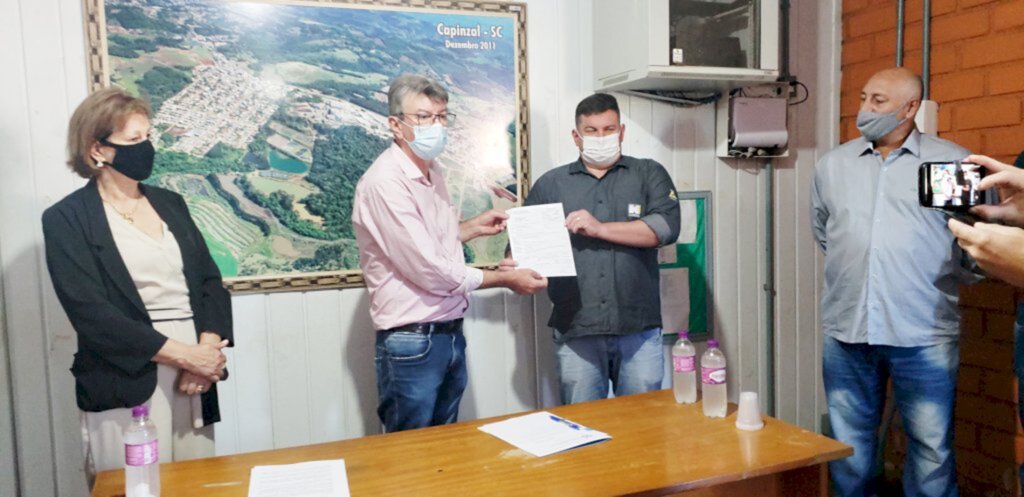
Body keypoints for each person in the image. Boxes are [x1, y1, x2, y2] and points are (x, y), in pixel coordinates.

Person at [42, 88, 233, 476]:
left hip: (195, 377)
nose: (145, 148)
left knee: (200, 482)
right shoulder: (67, 219)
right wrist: (184, 355)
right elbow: (91, 313)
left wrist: (205, 352)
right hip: (126, 377)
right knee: (136, 484)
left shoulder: (170, 203)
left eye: (148, 137)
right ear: (97, 149)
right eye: (133, 140)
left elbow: (210, 282)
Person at [810, 67, 978, 497]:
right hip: (848, 328)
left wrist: (924, 277)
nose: (864, 109)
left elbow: (975, 245)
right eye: (864, 97)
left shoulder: (950, 164)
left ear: (910, 107)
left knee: (930, 448)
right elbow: (827, 233)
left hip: (922, 330)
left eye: (878, 101)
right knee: (850, 447)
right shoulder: (834, 165)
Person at [352, 74, 548, 433]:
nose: (436, 126)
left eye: (442, 117)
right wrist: (504, 278)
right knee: (411, 455)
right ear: (395, 125)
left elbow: (430, 242)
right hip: (413, 338)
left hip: (446, 329)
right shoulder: (386, 183)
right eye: (423, 117)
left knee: (445, 447)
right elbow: (429, 268)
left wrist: (472, 227)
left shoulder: (431, 169)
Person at [521, 93, 680, 404]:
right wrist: (515, 266)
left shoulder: (648, 173)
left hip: (639, 328)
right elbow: (522, 250)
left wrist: (599, 228)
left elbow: (665, 228)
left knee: (642, 427)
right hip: (577, 328)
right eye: (592, 131)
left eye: (609, 129)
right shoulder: (551, 184)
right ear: (576, 137)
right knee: (584, 430)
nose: (601, 137)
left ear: (621, 132)